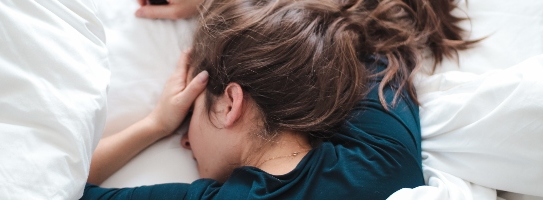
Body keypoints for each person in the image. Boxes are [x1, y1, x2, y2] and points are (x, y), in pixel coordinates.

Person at [83, 0, 476, 199]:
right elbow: (367, 24)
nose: (184, 140)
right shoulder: (381, 161)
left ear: (228, 103)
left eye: (189, 118)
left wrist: (155, 124)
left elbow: (60, 183)